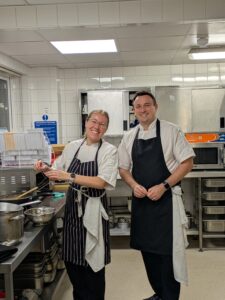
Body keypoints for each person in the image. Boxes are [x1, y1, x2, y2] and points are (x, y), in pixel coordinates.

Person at [118, 91, 195, 300]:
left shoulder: (171, 131)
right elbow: (123, 168)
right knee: (148, 254)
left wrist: (164, 185)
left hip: (166, 204)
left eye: (147, 105)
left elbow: (187, 163)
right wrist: (133, 185)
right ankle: (159, 294)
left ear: (155, 107)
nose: (143, 109)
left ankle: (169, 296)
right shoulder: (129, 137)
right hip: (143, 205)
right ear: (133, 110)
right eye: (138, 106)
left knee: (168, 256)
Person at [34, 110, 118, 300]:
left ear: (106, 128)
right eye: (93, 121)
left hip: (95, 209)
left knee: (94, 267)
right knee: (73, 263)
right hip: (74, 208)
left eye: (102, 124)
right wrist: (44, 168)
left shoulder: (109, 150)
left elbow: (101, 182)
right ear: (86, 122)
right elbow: (57, 170)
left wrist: (69, 176)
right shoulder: (73, 146)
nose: (97, 127)